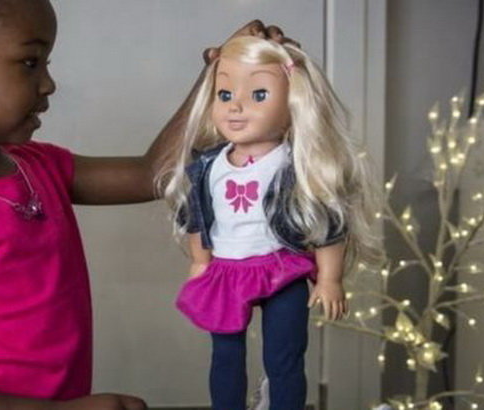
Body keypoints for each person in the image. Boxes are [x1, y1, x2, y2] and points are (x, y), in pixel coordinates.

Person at [0, 0, 290, 408]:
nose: (48, 84)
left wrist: (221, 75)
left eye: (46, 63)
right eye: (30, 63)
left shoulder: (38, 167)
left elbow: (152, 173)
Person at [158, 36, 382, 409]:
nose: (236, 107)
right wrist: (200, 261)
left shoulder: (298, 165)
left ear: (293, 104)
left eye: (259, 95)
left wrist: (330, 278)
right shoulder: (207, 166)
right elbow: (196, 217)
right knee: (226, 356)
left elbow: (325, 222)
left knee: (285, 356)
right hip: (227, 271)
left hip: (282, 270)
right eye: (225, 94)